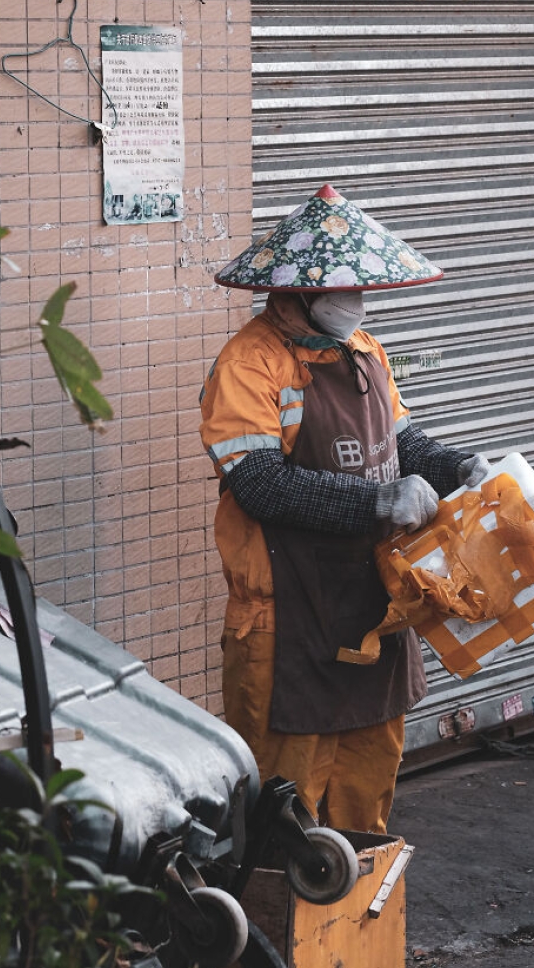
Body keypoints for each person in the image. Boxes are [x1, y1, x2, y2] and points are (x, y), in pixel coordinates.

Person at [199, 184, 490, 835]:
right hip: (287, 625)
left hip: (374, 612)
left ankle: (364, 905)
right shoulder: (248, 364)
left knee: (365, 807)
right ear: (300, 291)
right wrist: (378, 501)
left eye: (359, 287)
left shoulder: (364, 349)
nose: (354, 300)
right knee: (283, 821)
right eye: (342, 288)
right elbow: (259, 485)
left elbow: (403, 443)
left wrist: (458, 467)